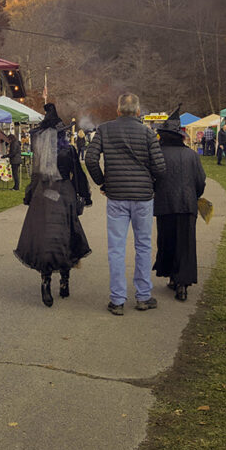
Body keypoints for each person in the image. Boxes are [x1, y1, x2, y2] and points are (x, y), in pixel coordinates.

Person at [84, 93, 166, 316]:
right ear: (138, 112)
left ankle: (118, 299)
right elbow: (160, 167)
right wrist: (152, 185)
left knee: (117, 248)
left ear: (118, 111)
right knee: (144, 246)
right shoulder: (148, 134)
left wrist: (102, 182)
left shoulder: (104, 130)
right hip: (143, 197)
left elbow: (90, 158)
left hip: (117, 196)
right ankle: (143, 296)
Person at [15, 104, 92, 307]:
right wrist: (85, 196)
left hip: (43, 196)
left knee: (45, 238)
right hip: (63, 194)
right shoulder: (69, 150)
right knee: (66, 236)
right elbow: (78, 176)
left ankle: (46, 280)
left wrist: (29, 196)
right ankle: (64, 280)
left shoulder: (40, 151)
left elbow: (35, 176)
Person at [152, 114, 206, 302]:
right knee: (186, 243)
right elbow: (200, 181)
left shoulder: (159, 154)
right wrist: (194, 195)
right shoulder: (191, 155)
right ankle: (182, 283)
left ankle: (173, 277)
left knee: (168, 241)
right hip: (187, 204)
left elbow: (153, 179)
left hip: (165, 204)